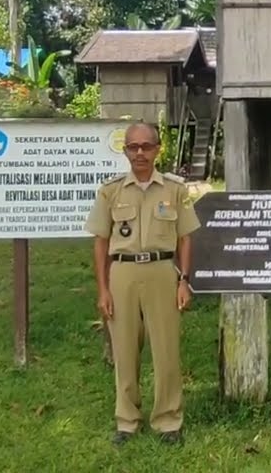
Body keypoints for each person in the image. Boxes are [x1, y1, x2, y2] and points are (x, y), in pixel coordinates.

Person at [85, 121, 201, 446]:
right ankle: (127, 421)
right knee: (124, 350)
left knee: (166, 350)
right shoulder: (111, 191)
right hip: (122, 274)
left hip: (162, 271)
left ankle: (168, 420)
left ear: (157, 149)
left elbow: (185, 239)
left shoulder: (175, 190)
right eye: (133, 147)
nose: (140, 153)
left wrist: (184, 280)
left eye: (146, 146)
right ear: (125, 151)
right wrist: (103, 289)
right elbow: (99, 242)